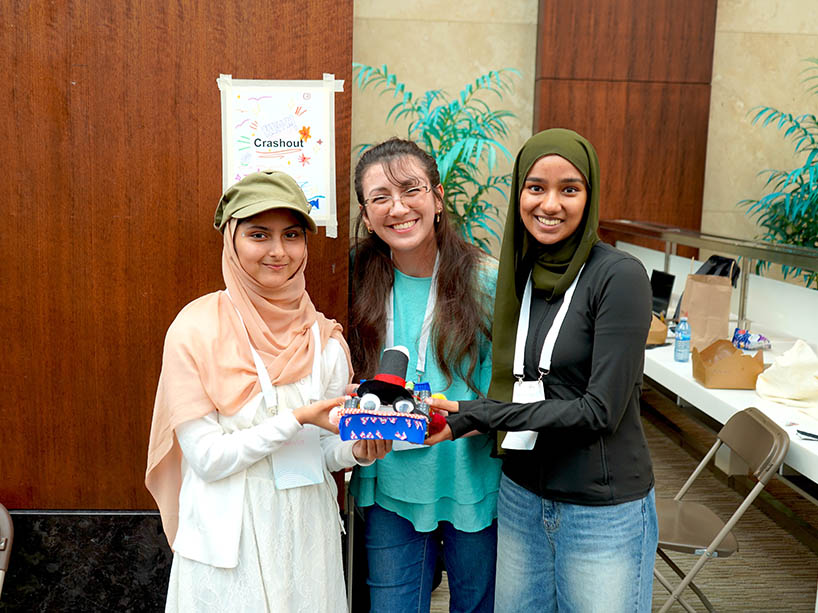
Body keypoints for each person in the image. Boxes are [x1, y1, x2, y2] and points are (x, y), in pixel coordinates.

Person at [426, 128, 658, 613]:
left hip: (601, 507)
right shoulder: (519, 274)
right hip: (522, 495)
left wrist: (479, 415)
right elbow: (518, 380)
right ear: (519, 193)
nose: (550, 204)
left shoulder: (619, 277)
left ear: (589, 197)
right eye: (536, 188)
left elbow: (599, 411)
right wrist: (457, 419)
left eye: (569, 189)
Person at [145, 170, 390, 612]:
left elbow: (320, 449)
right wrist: (295, 418)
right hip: (226, 550)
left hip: (306, 541)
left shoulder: (324, 341)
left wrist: (357, 450)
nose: (278, 251)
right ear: (232, 240)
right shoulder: (196, 330)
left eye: (291, 235)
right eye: (259, 234)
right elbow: (208, 458)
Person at [348, 138, 502, 613]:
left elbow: (508, 388)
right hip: (390, 481)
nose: (398, 208)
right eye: (380, 197)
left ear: (437, 197)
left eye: (411, 189)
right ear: (366, 212)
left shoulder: (487, 280)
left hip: (471, 479)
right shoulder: (354, 280)